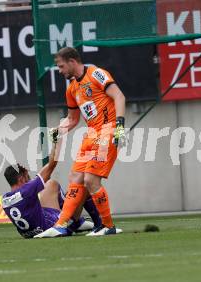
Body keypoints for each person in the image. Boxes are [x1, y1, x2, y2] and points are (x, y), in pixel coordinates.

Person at [35, 47, 126, 238]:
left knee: (90, 180)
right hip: (91, 135)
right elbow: (73, 119)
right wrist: (59, 130)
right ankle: (61, 225)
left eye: (60, 66)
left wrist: (119, 126)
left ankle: (107, 226)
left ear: (72, 61)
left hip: (107, 131)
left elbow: (119, 96)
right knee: (75, 177)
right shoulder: (72, 89)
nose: (59, 71)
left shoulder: (96, 74)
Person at [2, 131, 102, 239]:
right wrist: (56, 142)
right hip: (54, 227)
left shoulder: (4, 200)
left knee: (51, 185)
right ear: (21, 179)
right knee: (82, 184)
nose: (30, 180)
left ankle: (78, 222)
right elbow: (51, 165)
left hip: (33, 230)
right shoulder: (26, 191)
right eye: (27, 177)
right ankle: (97, 224)